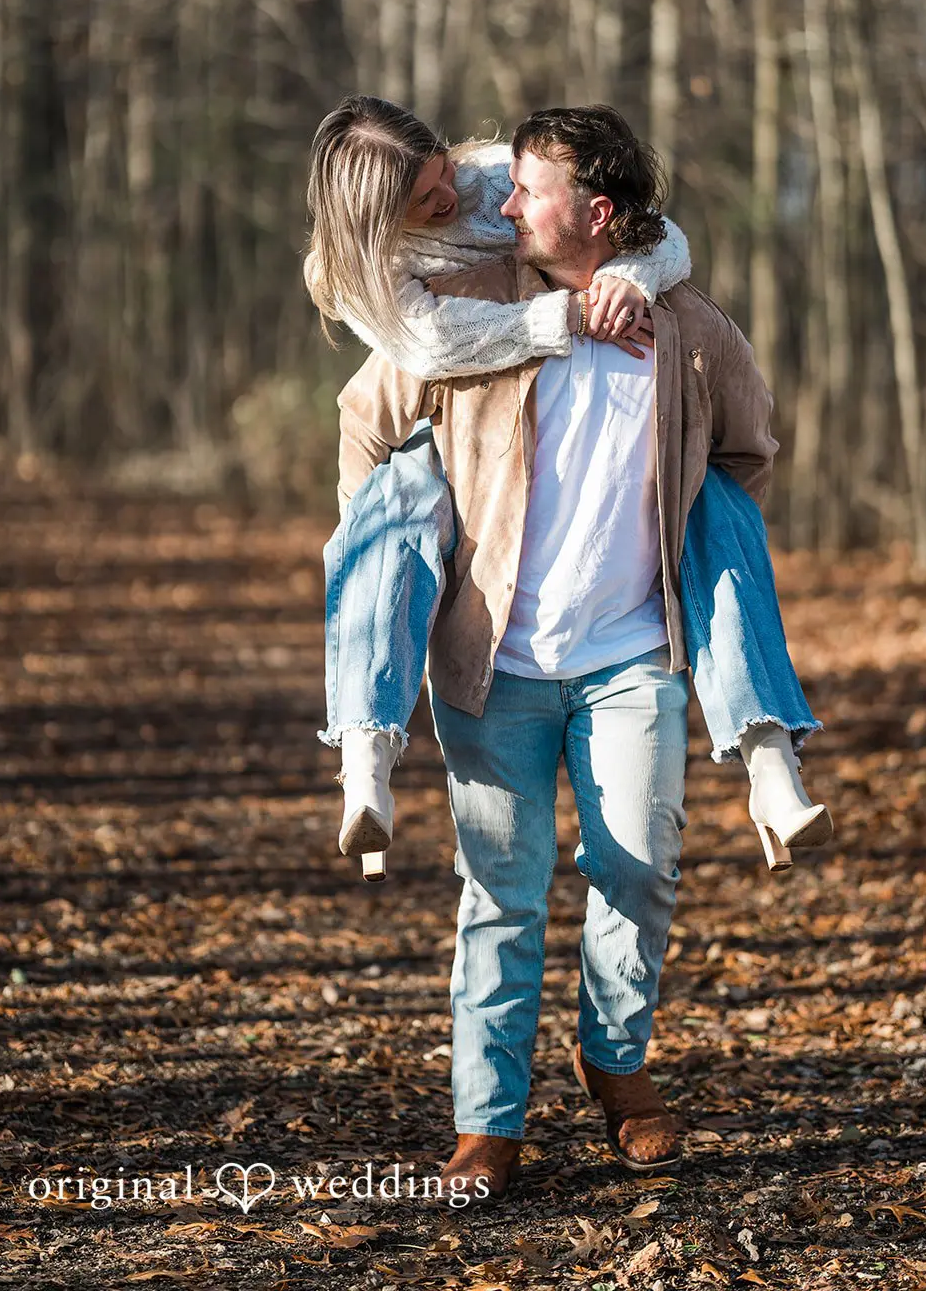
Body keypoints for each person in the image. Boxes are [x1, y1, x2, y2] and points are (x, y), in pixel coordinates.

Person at [327, 103, 800, 1200]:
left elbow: (748, 448)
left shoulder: (683, 327)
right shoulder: (466, 310)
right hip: (493, 659)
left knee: (636, 867)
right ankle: (484, 1123)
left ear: (593, 211)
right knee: (501, 889)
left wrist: (684, 549)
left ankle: (616, 1068)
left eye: (525, 190)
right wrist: (393, 549)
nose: (501, 203)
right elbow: (365, 416)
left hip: (631, 652)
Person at [305, 97, 830, 882]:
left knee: (714, 504)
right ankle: (364, 747)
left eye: (445, 172)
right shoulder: (372, 277)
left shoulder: (669, 314)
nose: (466, 199)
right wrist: (400, 558)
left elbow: (655, 234)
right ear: (381, 220)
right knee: (394, 501)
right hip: (482, 585)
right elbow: (399, 382)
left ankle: (768, 752)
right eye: (426, 200)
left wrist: (627, 276)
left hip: (625, 650)